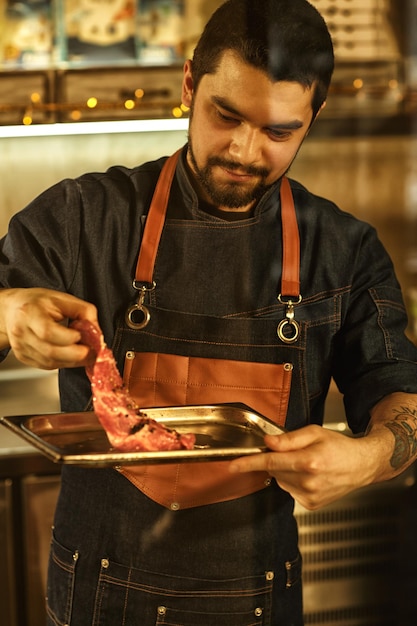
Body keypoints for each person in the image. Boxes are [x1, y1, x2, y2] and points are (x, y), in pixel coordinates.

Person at [1, 0, 417, 624]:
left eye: (280, 132)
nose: (246, 151)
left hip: (256, 595)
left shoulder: (345, 250)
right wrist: (6, 311)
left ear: (314, 115)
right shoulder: (84, 216)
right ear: (190, 82)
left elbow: (400, 396)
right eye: (227, 116)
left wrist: (373, 454)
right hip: (97, 590)